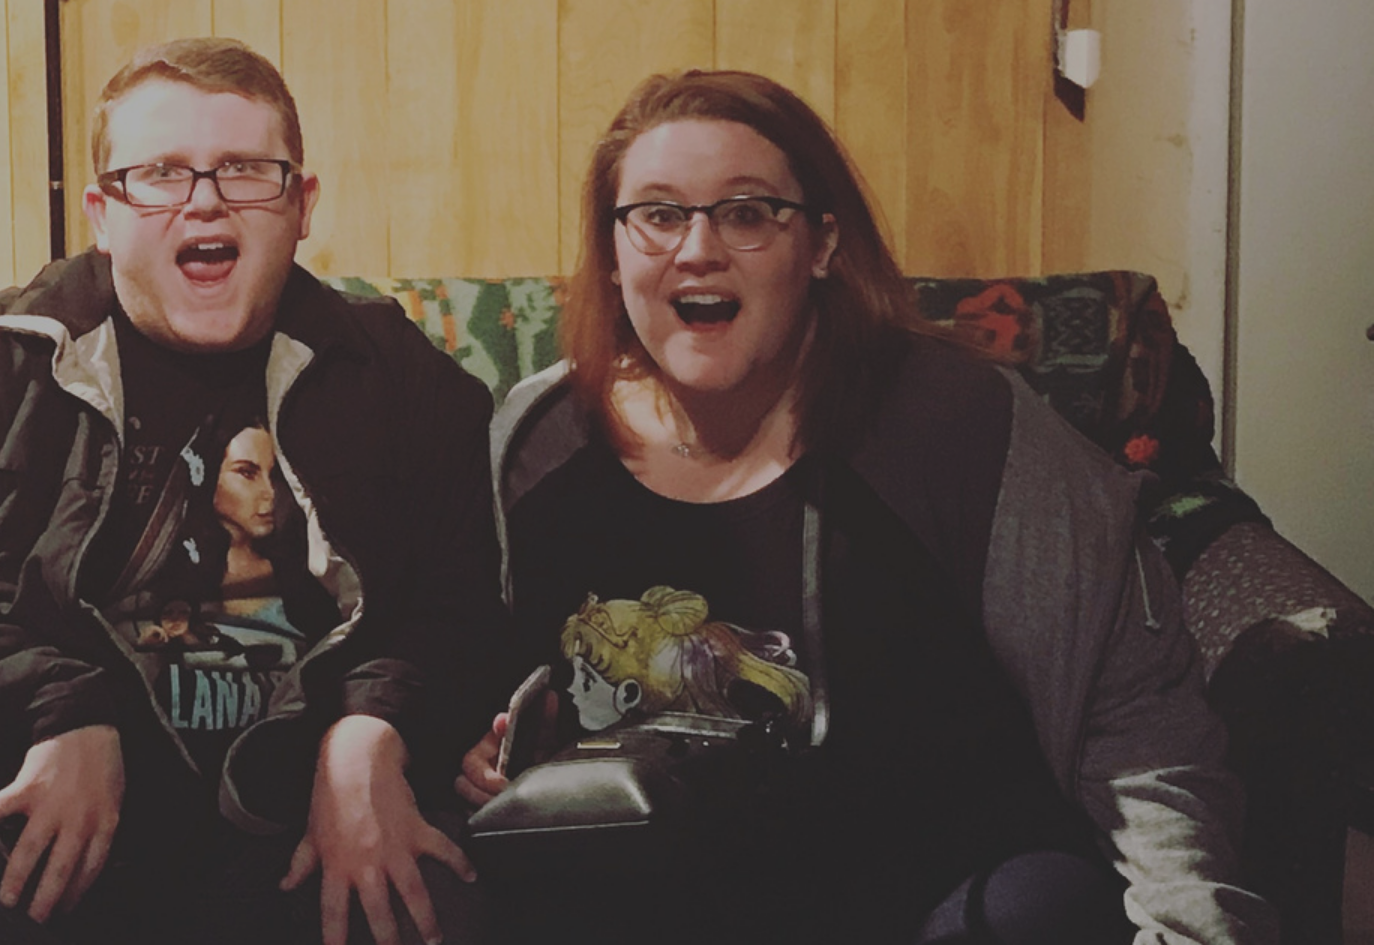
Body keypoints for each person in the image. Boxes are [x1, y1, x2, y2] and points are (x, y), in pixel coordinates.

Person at [457, 69, 1278, 945]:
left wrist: (1191, 923)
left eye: (747, 212)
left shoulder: (960, 422)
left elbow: (1139, 721)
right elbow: (508, 680)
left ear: (821, 244)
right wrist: (497, 758)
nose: (697, 249)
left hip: (942, 893)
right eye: (658, 214)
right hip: (667, 896)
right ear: (612, 251)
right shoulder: (540, 437)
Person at [0, 37, 503, 945]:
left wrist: (375, 727)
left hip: (286, 830)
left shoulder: (397, 377)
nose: (204, 200)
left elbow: (469, 605)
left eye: (245, 170)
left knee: (435, 891)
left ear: (301, 205)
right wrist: (54, 705)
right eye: (160, 174)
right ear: (102, 213)